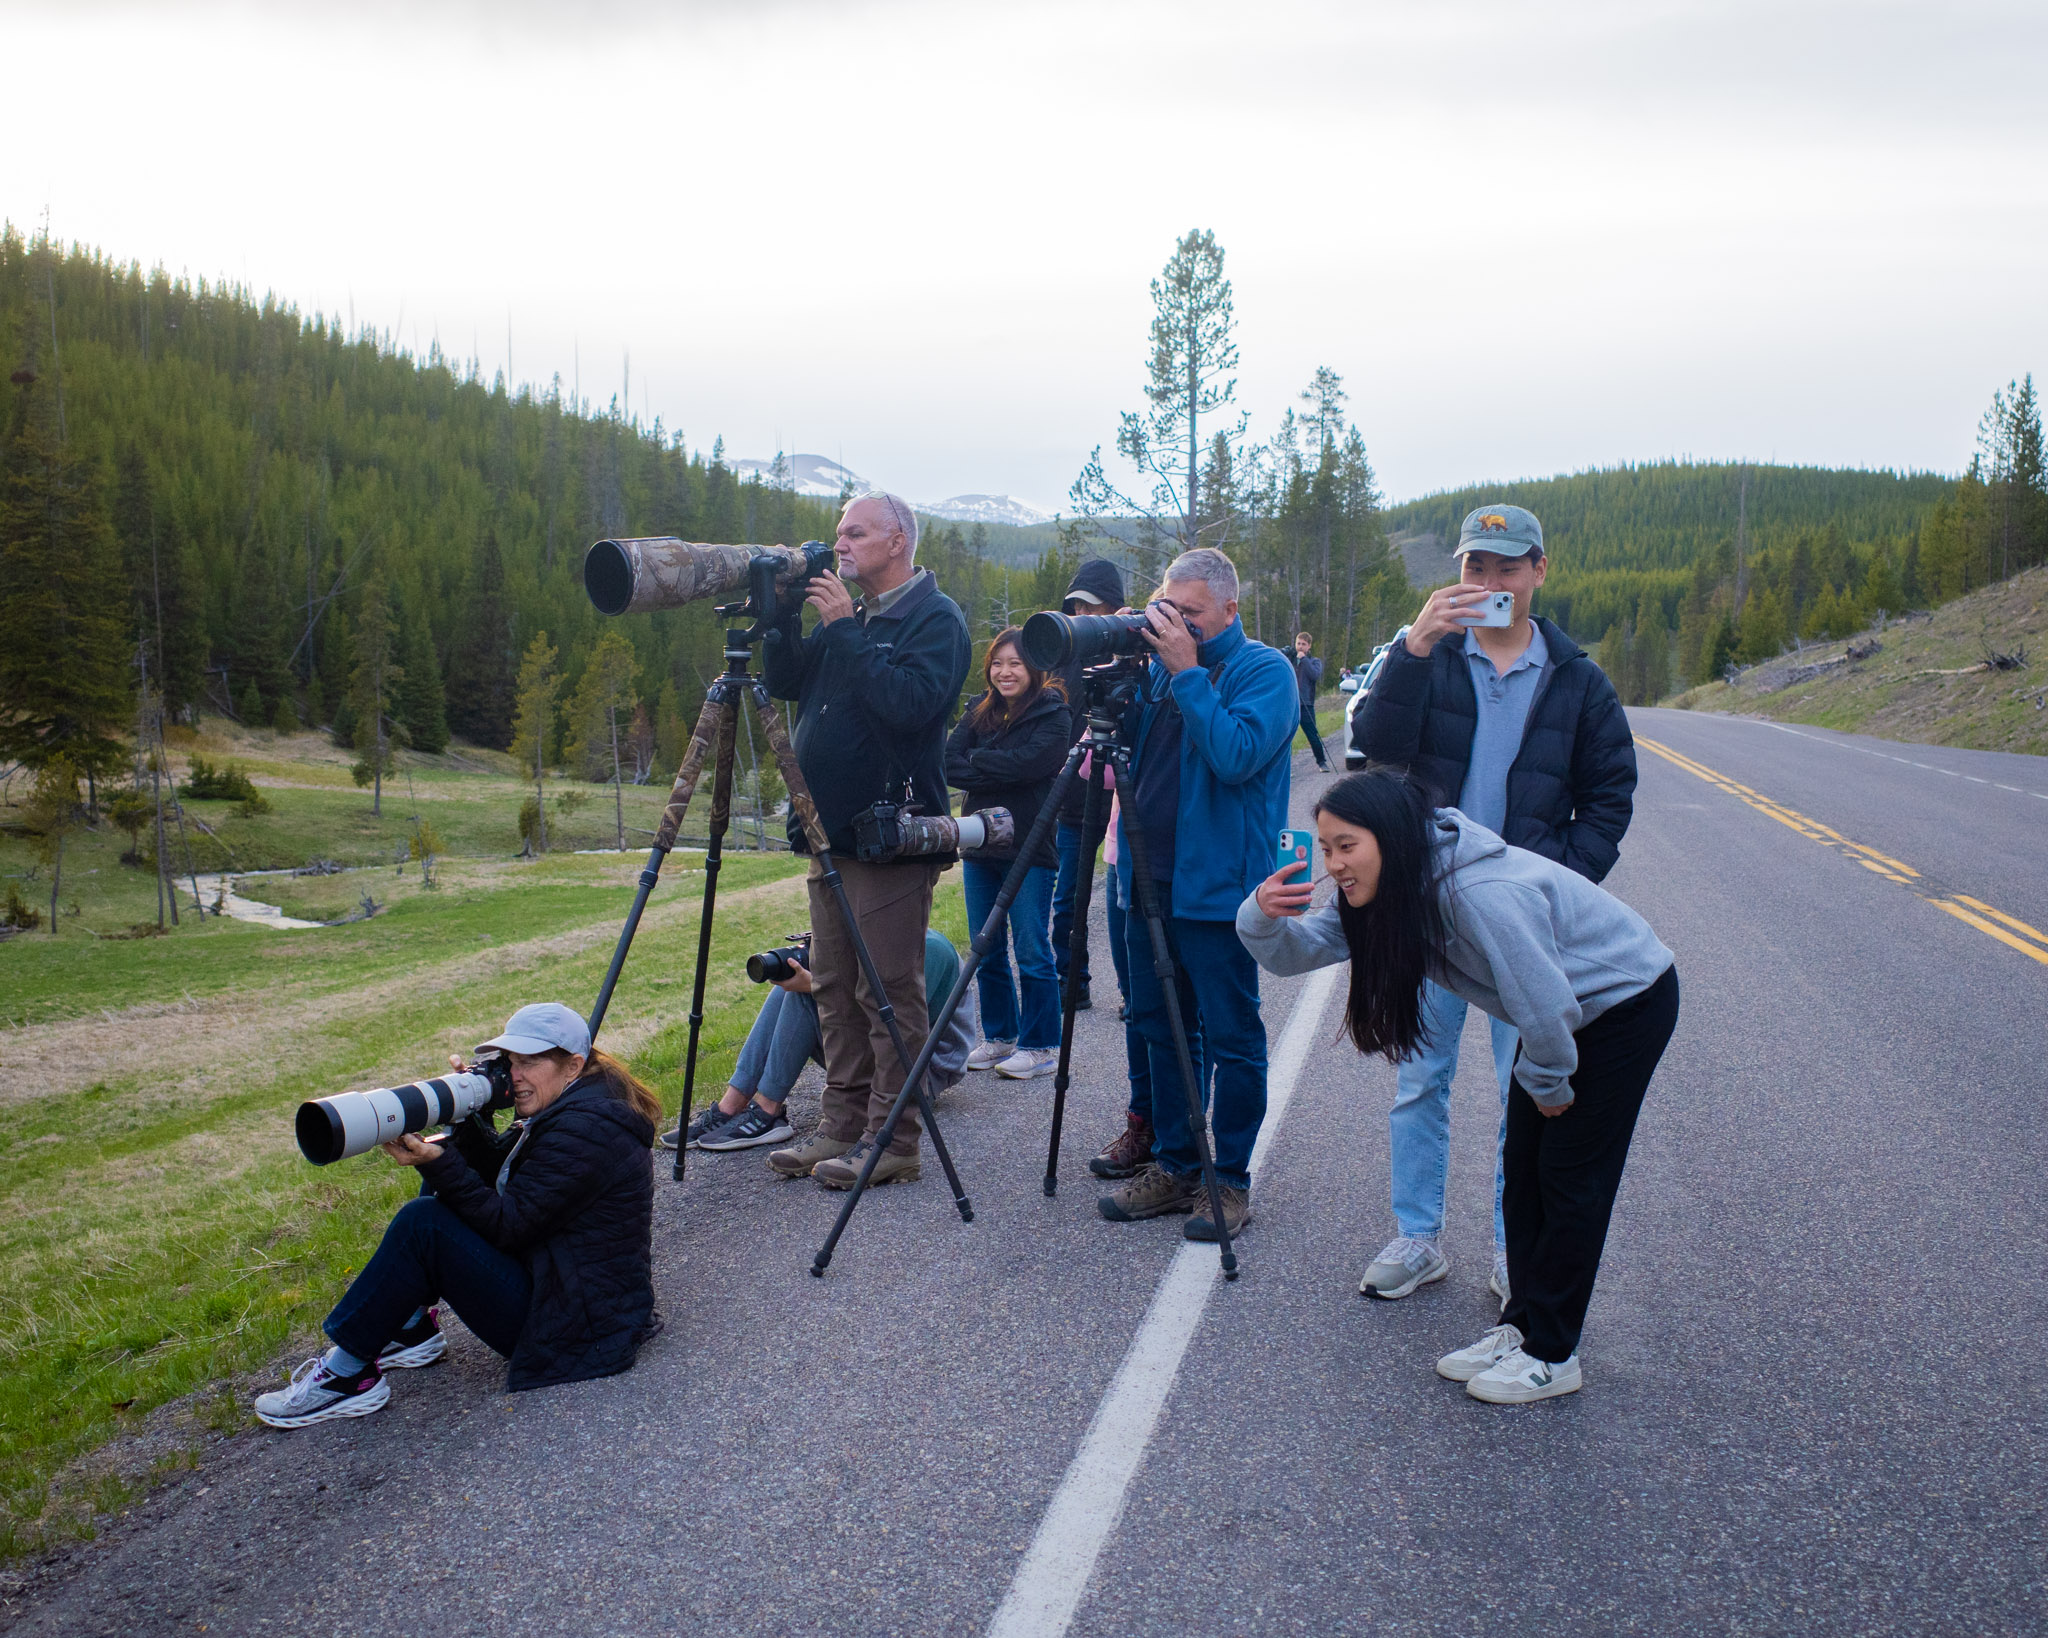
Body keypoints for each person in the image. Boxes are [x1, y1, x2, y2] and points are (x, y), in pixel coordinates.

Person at [1238, 770, 1678, 1404]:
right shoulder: (1389, 889)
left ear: (1388, 836)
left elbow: (1548, 1002)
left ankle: (1554, 1354)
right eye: (1326, 847)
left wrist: (1549, 1078)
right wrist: (1260, 913)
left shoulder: (1477, 890)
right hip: (1561, 1013)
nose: (1333, 863)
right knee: (1524, 1171)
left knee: (1570, 1178)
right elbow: (1293, 954)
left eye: (1346, 845)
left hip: (1621, 1002)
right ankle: (1521, 1329)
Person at [1350, 502, 1636, 1305]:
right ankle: (1418, 1238)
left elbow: (1610, 796)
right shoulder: (1428, 657)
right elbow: (1376, 749)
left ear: (1540, 570)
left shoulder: (1577, 680)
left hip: (1522, 928)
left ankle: (1518, 1250)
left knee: (1531, 1093)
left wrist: (1556, 887)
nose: (1489, 582)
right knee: (1419, 1080)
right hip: (1431, 914)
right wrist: (1413, 646)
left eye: (1507, 567)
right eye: (1475, 566)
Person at [254, 1003, 660, 1427]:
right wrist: (467, 1118)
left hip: (578, 1326)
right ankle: (410, 1328)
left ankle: (345, 1377)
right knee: (443, 1184)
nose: (513, 1075)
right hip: (564, 1285)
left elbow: (509, 1224)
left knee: (424, 1222)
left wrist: (438, 1160)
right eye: (508, 1062)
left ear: (573, 1066)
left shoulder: (587, 1129)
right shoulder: (579, 1103)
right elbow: (510, 1187)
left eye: (529, 1063)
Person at [761, 491, 972, 1190]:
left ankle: (894, 1138)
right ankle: (840, 1127)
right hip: (829, 832)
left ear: (897, 541)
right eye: (838, 532)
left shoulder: (933, 619)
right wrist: (781, 615)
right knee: (834, 989)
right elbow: (788, 681)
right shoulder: (846, 618)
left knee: (887, 991)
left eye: (855, 533)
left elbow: (911, 708)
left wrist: (846, 628)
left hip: (892, 835)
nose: (840, 543)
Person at [1091, 547, 1298, 1241]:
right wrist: (1119, 667)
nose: (1179, 625)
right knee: (1156, 1021)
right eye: (1169, 611)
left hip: (1218, 887)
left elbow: (1237, 754)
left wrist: (1187, 674)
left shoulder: (1264, 671)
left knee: (1231, 1034)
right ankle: (1177, 1162)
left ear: (1230, 609)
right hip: (1144, 875)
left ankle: (1230, 1181)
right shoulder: (1156, 671)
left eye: (1194, 614)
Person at [665, 930, 977, 1151]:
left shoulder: (926, 948)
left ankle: (768, 1111)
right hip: (885, 1058)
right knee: (788, 986)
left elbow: (892, 1024)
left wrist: (818, 985)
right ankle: (730, 1106)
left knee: (807, 995)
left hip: (921, 1074)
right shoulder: (878, 941)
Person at [946, 627, 1070, 1079]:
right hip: (979, 843)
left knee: (1033, 948)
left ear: (1033, 667)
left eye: (1015, 663)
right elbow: (947, 761)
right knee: (987, 946)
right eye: (998, 663)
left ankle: (1040, 1046)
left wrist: (978, 765)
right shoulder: (979, 710)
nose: (1005, 672)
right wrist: (998, 767)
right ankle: (1000, 1036)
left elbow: (1033, 765)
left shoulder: (1055, 713)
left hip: (1029, 846)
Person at [1048, 558, 1130, 1014]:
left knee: (1127, 895)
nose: (1082, 617)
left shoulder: (1133, 648)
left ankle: (1131, 990)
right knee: (1068, 897)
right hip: (1076, 793)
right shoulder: (1064, 655)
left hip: (1124, 794)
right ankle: (1070, 981)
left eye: (1091, 607)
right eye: (1075, 608)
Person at [1292, 631, 1330, 772]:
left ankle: (1321, 762)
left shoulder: (1314, 661)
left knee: (1312, 735)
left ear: (1309, 646)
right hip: (1291, 704)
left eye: (1303, 644)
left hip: (1306, 704)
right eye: (1298, 643)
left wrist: (1304, 660)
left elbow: (1314, 675)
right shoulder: (1290, 659)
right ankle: (1284, 766)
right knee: (1285, 736)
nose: (1300, 647)